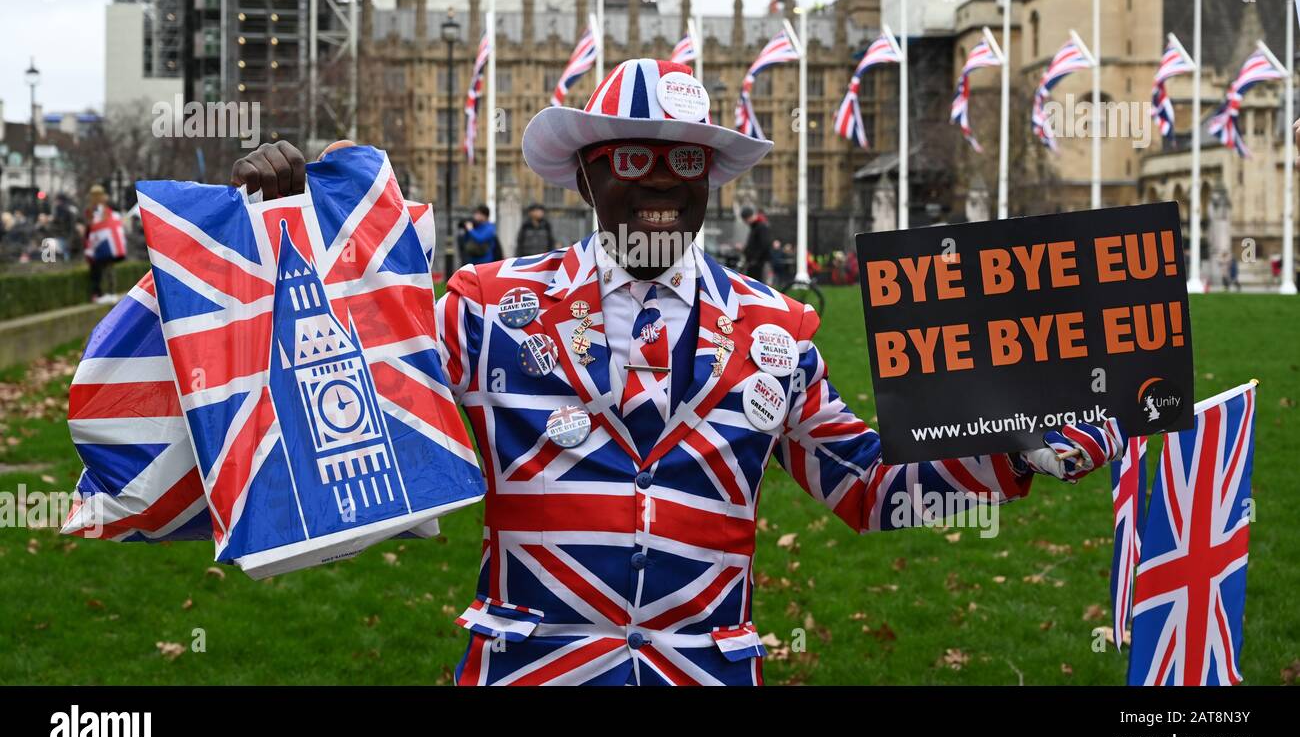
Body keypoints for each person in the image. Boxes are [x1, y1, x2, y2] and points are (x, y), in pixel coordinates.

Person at [231, 57, 1126, 687]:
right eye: (632, 159)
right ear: (585, 178)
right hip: (532, 667)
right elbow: (348, 410)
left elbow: (864, 484)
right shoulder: (484, 306)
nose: (661, 181)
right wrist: (289, 245)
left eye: (684, 161)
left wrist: (1013, 449)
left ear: (712, 181)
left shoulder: (777, 330)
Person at [739, 205, 772, 281]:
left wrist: (754, 259)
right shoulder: (755, 227)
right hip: (755, 262)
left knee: (759, 284)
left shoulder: (761, 227)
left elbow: (764, 244)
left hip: (759, 263)